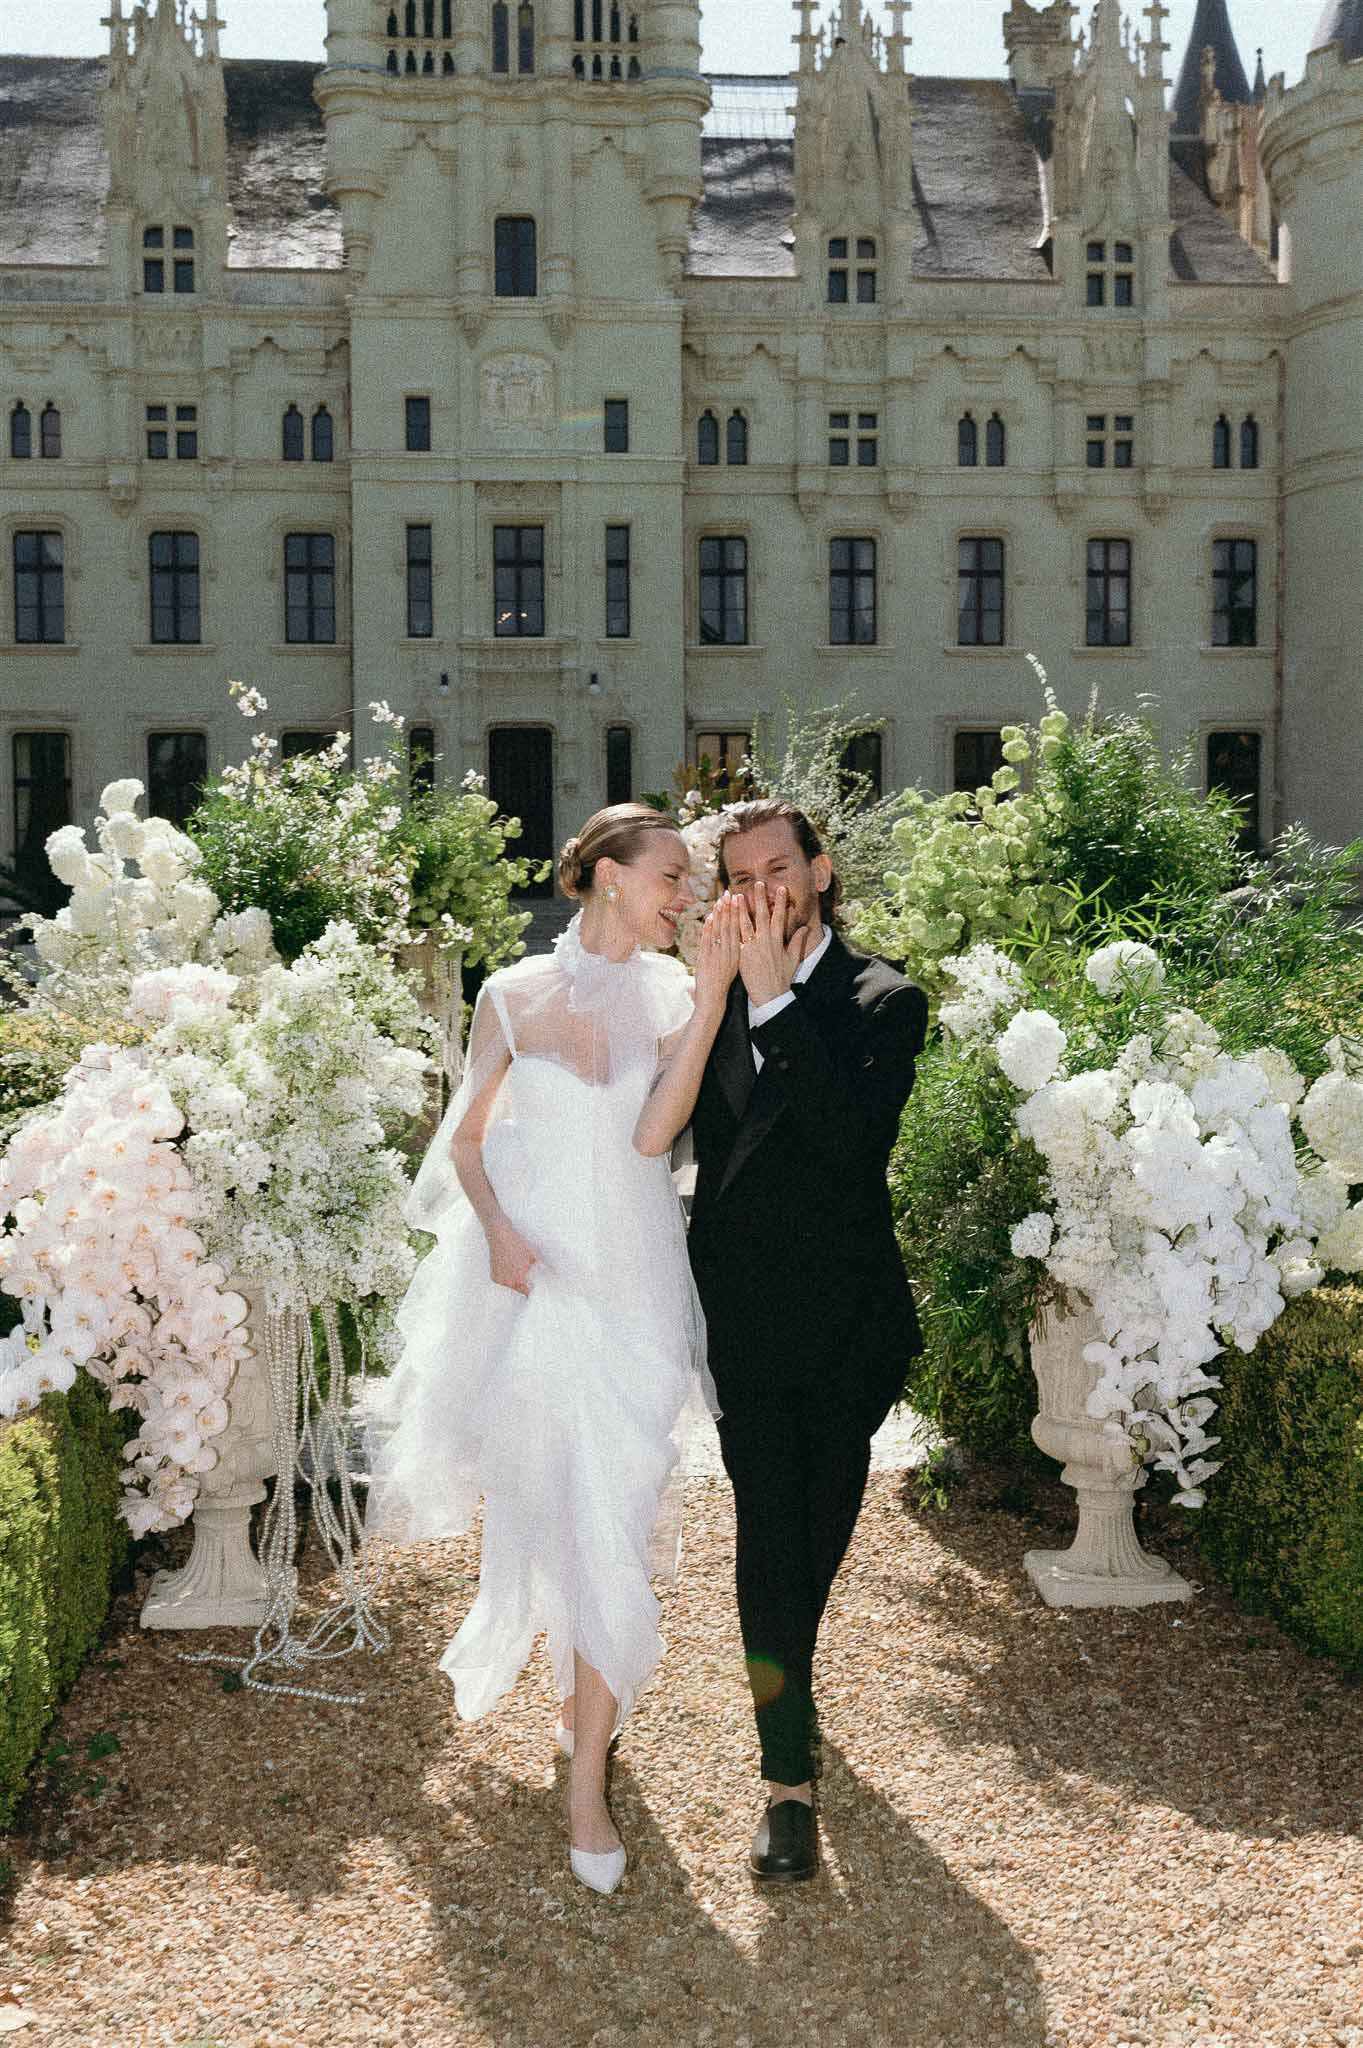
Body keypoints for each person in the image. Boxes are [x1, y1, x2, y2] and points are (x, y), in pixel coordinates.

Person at [364, 803, 735, 1896]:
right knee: (559, 1503)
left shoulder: (674, 994)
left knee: (619, 1503)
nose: (687, 894)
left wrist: (711, 999)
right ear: (609, 877)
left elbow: (654, 1133)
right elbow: (468, 1140)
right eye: (672, 874)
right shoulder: (511, 993)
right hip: (538, 1282)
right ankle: (586, 1777)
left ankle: (588, 1733)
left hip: (636, 1285)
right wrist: (500, 1231)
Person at [645, 799, 928, 1884]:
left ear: (817, 870)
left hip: (850, 1322)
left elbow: (852, 1147)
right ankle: (786, 1779)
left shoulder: (882, 998)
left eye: (777, 865)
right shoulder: (707, 995)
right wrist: (727, 995)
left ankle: (787, 1679)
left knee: (815, 1536)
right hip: (749, 1322)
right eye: (738, 872)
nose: (758, 886)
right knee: (769, 1538)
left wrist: (771, 1002)